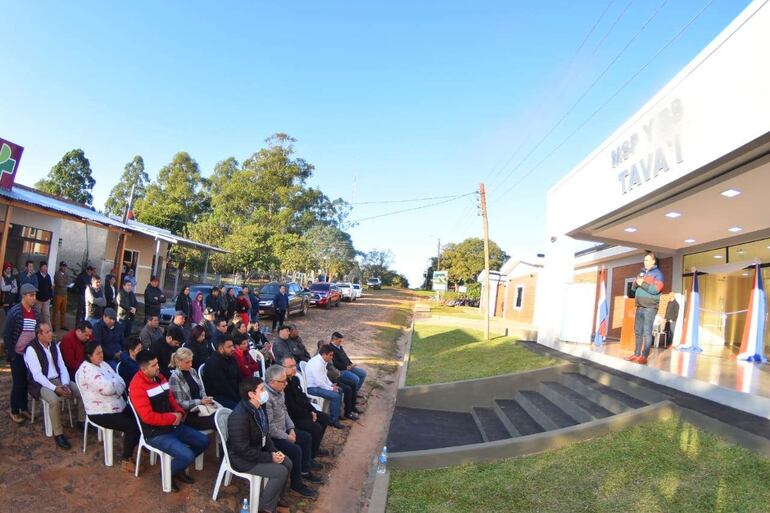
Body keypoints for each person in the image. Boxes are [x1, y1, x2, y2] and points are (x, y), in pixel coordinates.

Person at [129, 349, 210, 492]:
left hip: (173, 425)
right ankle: (168, 473)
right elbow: (148, 417)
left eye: (157, 364)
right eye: (153, 365)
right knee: (188, 455)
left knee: (204, 442)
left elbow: (171, 398)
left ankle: (177, 468)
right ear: (143, 368)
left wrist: (178, 411)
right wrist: (173, 417)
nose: (158, 367)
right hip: (155, 433)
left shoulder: (160, 377)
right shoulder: (137, 386)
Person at [227, 377, 292, 513]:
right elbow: (242, 450)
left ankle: (277, 498)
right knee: (280, 472)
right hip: (242, 459)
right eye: (262, 389)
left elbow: (265, 435)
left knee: (287, 463)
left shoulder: (258, 408)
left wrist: (274, 452)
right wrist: (269, 457)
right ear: (251, 394)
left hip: (256, 451)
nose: (265, 392)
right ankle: (266, 507)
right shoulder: (239, 417)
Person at [76, 340, 140, 472]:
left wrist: (114, 385)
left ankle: (137, 446)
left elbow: (120, 380)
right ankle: (126, 460)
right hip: (99, 412)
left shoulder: (103, 364)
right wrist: (115, 386)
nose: (101, 355)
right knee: (132, 426)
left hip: (117, 405)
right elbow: (108, 388)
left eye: (101, 352)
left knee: (139, 415)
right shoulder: (86, 370)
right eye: (98, 353)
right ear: (89, 356)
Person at [25, 322, 85, 449]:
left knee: (80, 391)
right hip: (41, 384)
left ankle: (81, 421)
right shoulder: (31, 349)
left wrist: (64, 383)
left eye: (50, 330)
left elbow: (62, 366)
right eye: (47, 332)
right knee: (54, 400)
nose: (51, 333)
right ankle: (58, 434)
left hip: (58, 379)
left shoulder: (53, 346)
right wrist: (55, 388)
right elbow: (37, 376)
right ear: (39, 335)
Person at [264, 365, 322, 498]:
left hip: (284, 430)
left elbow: (285, 411)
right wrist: (287, 436)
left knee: (306, 437)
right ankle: (296, 484)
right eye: (282, 382)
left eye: (285, 381)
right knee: (295, 450)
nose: (285, 384)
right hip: (272, 437)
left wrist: (291, 429)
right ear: (272, 382)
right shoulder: (266, 398)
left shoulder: (280, 390)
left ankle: (305, 471)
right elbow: (270, 428)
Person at [281, 356, 330, 460]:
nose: (294, 368)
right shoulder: (282, 384)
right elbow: (290, 407)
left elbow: (302, 397)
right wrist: (308, 415)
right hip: (292, 417)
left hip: (302, 412)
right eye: (290, 366)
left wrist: (312, 410)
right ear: (282, 367)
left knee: (324, 418)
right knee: (315, 427)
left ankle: (315, 449)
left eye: (294, 365)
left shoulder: (294, 379)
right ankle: (310, 457)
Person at [5, 283, 39, 423]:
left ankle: (23, 407)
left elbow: (36, 331)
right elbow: (7, 334)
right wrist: (12, 354)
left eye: (35, 295)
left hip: (29, 355)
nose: (34, 298)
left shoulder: (35, 312)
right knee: (18, 383)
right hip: (17, 354)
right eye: (31, 295)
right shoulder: (15, 312)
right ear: (24, 296)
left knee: (26, 382)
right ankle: (14, 410)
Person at [625, 252, 665, 365]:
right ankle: (636, 354)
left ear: (653, 261)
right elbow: (633, 290)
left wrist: (642, 283)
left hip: (650, 308)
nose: (645, 262)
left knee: (647, 333)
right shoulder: (641, 273)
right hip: (639, 306)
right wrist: (635, 284)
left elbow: (655, 290)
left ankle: (644, 356)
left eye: (647, 260)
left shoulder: (658, 274)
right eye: (644, 260)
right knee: (638, 332)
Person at [168, 347, 217, 431]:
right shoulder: (174, 378)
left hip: (202, 407)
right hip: (189, 414)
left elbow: (201, 389)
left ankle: (223, 443)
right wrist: (200, 401)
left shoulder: (192, 371)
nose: (190, 364)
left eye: (191, 361)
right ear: (178, 362)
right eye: (187, 362)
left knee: (223, 416)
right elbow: (180, 403)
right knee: (217, 421)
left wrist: (204, 398)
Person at [305, 346, 345, 429]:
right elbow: (319, 382)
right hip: (312, 388)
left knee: (339, 390)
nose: (332, 357)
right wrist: (331, 389)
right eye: (330, 355)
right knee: (335, 396)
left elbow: (324, 376)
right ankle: (333, 421)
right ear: (324, 354)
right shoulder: (317, 363)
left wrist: (331, 385)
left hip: (318, 385)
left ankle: (336, 414)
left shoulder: (322, 361)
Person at [315, 339, 357, 418]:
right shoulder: (319, 359)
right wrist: (331, 386)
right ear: (321, 348)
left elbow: (328, 371)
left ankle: (351, 408)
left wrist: (332, 383)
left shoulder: (325, 357)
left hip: (333, 378)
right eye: (325, 346)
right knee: (346, 389)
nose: (328, 347)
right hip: (331, 378)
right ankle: (345, 413)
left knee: (353, 384)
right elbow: (322, 379)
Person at [201, 333, 240, 408]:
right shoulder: (213, 363)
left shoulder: (231, 358)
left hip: (234, 393)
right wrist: (239, 399)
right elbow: (223, 388)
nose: (233, 349)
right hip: (219, 397)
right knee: (242, 409)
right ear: (221, 348)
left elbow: (239, 377)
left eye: (232, 346)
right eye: (229, 347)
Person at [330, 331, 367, 396]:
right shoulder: (330, 349)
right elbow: (335, 364)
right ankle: (352, 395)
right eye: (339, 341)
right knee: (356, 379)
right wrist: (346, 368)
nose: (340, 343)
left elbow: (345, 356)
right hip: (340, 370)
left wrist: (350, 363)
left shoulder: (339, 347)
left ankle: (355, 392)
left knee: (363, 373)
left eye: (341, 341)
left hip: (348, 367)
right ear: (333, 340)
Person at [52, 261, 70, 331]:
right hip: (58, 295)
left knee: (63, 311)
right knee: (55, 311)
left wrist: (64, 281)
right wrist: (64, 282)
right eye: (63, 266)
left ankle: (62, 325)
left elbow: (68, 282)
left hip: (65, 295)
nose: (64, 267)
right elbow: (60, 283)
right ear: (60, 266)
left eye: (65, 266)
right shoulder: (57, 274)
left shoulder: (66, 274)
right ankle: (53, 325)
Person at [35, 261, 53, 325]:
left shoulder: (48, 276)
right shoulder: (36, 275)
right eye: (43, 267)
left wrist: (51, 296)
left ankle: (49, 331)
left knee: (47, 315)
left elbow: (50, 287)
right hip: (38, 299)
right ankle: (36, 330)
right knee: (37, 315)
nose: (45, 268)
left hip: (46, 299)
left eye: (46, 267)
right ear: (40, 268)